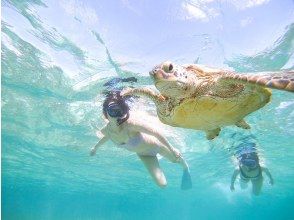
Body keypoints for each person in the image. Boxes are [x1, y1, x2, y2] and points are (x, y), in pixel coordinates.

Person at [90, 91, 192, 190]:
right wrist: (95, 148)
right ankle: (182, 167)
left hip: (158, 146)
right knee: (162, 185)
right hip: (144, 155)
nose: (117, 114)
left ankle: (186, 168)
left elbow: (156, 133)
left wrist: (172, 148)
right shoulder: (107, 130)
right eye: (113, 110)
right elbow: (106, 137)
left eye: (119, 110)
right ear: (105, 113)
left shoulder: (131, 125)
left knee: (175, 160)